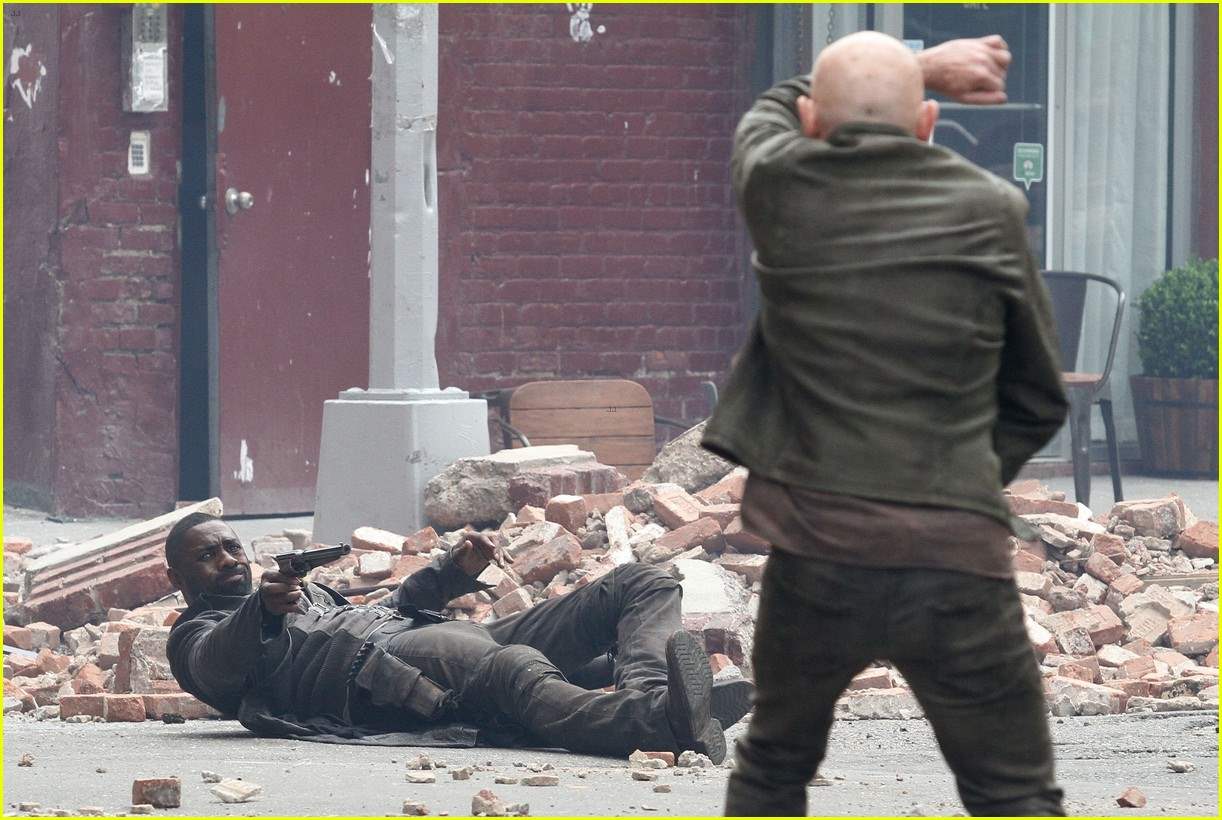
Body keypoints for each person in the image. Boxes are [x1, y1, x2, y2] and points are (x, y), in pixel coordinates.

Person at [706, 33, 1069, 816]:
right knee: (1015, 795)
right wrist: (959, 481)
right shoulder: (992, 207)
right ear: (930, 124)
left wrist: (923, 60)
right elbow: (1039, 397)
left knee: (772, 771)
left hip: (815, 553)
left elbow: (766, 112)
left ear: (810, 122)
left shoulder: (782, 182)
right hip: (956, 560)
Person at [164, 512, 754, 760]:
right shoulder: (195, 636)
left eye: (230, 546)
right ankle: (662, 725)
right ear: (179, 576)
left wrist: (450, 572)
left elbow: (388, 607)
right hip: (390, 674)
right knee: (510, 666)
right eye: (207, 555)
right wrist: (261, 612)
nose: (226, 558)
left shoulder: (299, 591)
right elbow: (219, 664)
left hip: (423, 636)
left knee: (640, 582)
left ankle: (655, 693)